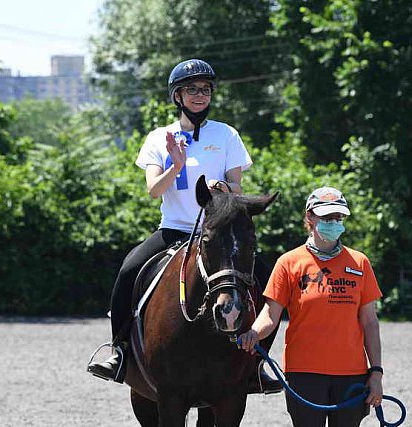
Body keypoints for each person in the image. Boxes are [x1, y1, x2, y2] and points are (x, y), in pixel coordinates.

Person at [87, 58, 281, 393]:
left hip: (217, 233)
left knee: (266, 284)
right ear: (177, 96)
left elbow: (238, 186)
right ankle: (119, 350)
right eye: (191, 89)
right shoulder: (159, 137)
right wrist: (175, 165)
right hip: (174, 230)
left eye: (205, 89)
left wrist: (225, 189)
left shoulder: (227, 134)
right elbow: (153, 190)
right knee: (128, 269)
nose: (199, 95)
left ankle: (258, 363)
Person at [238, 187, 385, 427]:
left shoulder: (360, 263)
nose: (334, 223)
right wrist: (254, 333)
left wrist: (376, 373)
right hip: (304, 374)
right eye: (327, 218)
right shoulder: (288, 263)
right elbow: (270, 314)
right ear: (310, 217)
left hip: (352, 375)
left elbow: (370, 322)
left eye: (338, 218)